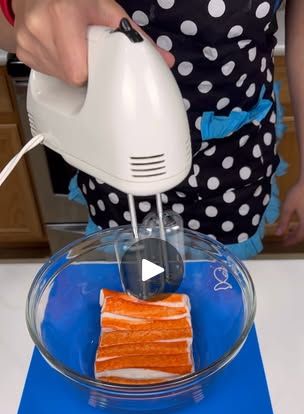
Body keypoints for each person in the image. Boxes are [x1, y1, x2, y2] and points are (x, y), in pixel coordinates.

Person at [1, 0, 304, 258]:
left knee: (216, 283)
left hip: (234, 161)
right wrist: (23, 8)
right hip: (120, 157)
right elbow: (10, 32)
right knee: (143, 271)